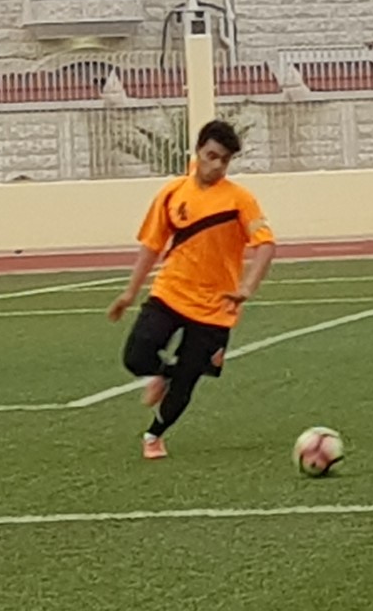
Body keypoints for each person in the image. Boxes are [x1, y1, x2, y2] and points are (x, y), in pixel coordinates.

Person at [107, 120, 276, 459]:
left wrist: (246, 287)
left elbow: (266, 245)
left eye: (224, 160)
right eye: (211, 156)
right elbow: (151, 246)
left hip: (216, 307)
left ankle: (154, 435)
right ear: (197, 151)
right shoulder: (172, 194)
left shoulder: (239, 200)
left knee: (186, 381)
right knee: (136, 356)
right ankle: (162, 374)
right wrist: (129, 292)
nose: (216, 165)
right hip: (170, 293)